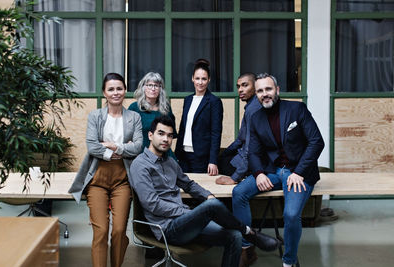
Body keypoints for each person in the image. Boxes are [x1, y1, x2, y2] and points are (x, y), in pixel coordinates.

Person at [129, 115, 280, 267]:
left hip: (185, 222)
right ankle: (250, 233)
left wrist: (207, 195)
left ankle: (245, 232)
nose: (166, 139)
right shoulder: (140, 165)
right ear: (150, 135)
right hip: (166, 228)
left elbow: (188, 184)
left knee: (234, 236)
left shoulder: (170, 163)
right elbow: (152, 204)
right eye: (161, 134)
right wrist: (188, 212)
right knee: (212, 206)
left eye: (169, 135)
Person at [232, 73, 325, 267]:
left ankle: (288, 262)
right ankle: (247, 247)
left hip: (299, 172)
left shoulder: (296, 109)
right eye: (260, 91)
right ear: (256, 94)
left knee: (291, 215)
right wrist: (258, 174)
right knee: (239, 193)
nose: (264, 94)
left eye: (268, 89)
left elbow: (317, 142)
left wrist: (299, 172)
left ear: (277, 90)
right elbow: (254, 152)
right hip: (272, 171)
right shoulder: (256, 117)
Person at [68, 73, 143, 267]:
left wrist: (114, 147)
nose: (115, 92)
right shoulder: (95, 116)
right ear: (104, 92)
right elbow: (93, 146)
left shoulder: (134, 117)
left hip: (122, 181)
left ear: (125, 91)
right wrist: (117, 151)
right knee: (100, 231)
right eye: (111, 89)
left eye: (119, 88)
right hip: (98, 181)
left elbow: (138, 146)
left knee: (118, 231)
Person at [175, 59, 223, 175]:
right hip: (184, 154)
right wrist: (176, 154)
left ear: (209, 80)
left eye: (204, 79)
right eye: (197, 78)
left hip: (202, 156)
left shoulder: (214, 102)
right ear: (192, 78)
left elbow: (216, 133)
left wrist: (213, 160)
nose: (200, 82)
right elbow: (183, 128)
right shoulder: (188, 100)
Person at [216, 72, 261, 185]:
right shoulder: (250, 107)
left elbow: (250, 147)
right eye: (238, 86)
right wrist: (224, 153)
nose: (240, 89)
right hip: (242, 154)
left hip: (250, 163)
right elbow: (240, 139)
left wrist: (235, 177)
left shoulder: (253, 110)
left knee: (219, 167)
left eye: (245, 85)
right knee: (220, 160)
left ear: (256, 87)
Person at [128, 71, 177, 159]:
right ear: (143, 87)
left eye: (156, 85)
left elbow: (171, 134)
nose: (153, 88)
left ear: (160, 89)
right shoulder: (135, 108)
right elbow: (127, 133)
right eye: (149, 85)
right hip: (141, 155)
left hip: (164, 156)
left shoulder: (166, 108)